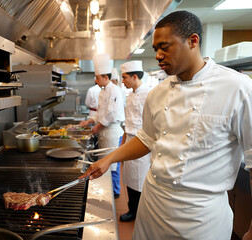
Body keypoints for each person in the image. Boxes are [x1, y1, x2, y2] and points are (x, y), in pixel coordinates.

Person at [80, 10, 252, 240]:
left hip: (199, 217)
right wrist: (109, 159)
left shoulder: (238, 88)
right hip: (153, 205)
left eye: (165, 47)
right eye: (155, 50)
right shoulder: (158, 92)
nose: (159, 55)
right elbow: (147, 139)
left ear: (193, 41)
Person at [80, 53, 125, 198]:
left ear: (106, 78)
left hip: (112, 132)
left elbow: (112, 113)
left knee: (112, 165)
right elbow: (100, 113)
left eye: (97, 77)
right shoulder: (102, 92)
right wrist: (89, 121)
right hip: (104, 132)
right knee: (105, 164)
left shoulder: (115, 90)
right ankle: (109, 190)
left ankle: (116, 192)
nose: (95, 80)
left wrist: (98, 126)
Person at [118, 60, 151, 222]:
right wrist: (123, 142)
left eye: (124, 78)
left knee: (140, 181)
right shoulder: (130, 95)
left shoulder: (149, 94)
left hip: (142, 143)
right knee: (130, 180)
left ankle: (140, 213)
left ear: (135, 76)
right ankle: (132, 210)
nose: (122, 81)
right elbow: (128, 122)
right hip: (130, 140)